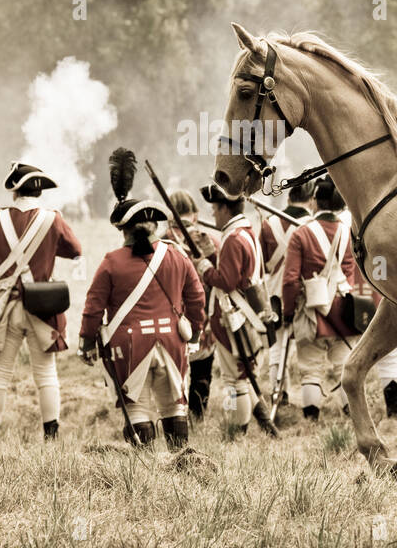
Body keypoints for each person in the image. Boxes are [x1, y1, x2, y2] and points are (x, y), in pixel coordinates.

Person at [78, 148, 206, 448]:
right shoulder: (176, 256)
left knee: (137, 407)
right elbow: (197, 298)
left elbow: (93, 308)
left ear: (122, 230)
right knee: (174, 405)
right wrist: (196, 332)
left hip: (130, 344)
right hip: (173, 340)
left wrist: (86, 342)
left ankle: (146, 470)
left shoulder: (111, 261)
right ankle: (180, 462)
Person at [0, 161, 82, 441]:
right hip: (41, 308)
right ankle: (51, 435)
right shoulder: (53, 218)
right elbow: (76, 250)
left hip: (4, 309)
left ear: (14, 191)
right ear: (39, 191)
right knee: (45, 373)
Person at [189, 182, 277, 436]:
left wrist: (204, 267)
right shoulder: (246, 232)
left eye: (215, 209)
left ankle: (236, 433)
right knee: (243, 374)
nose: (213, 214)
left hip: (234, 317)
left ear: (225, 208)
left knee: (234, 379)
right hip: (248, 314)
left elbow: (226, 281)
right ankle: (256, 423)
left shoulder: (232, 239)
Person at [280, 176, 359, 421]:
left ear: (315, 201)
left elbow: (290, 280)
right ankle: (352, 416)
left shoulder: (301, 234)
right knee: (344, 366)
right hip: (345, 308)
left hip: (314, 310)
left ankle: (311, 422)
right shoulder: (349, 231)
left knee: (310, 370)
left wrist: (289, 312)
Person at [259, 181, 316, 410]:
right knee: (308, 351)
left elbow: (262, 262)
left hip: (273, 292)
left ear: (289, 198)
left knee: (276, 349)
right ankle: (311, 402)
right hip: (303, 295)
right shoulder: (312, 225)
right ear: (311, 199)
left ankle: (279, 397)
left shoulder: (267, 224)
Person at [168, 188, 220, 418]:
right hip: (204, 311)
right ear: (196, 214)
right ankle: (197, 414)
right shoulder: (211, 240)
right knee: (202, 369)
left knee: (172, 370)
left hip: (171, 314)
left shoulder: (161, 241)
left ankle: (174, 414)